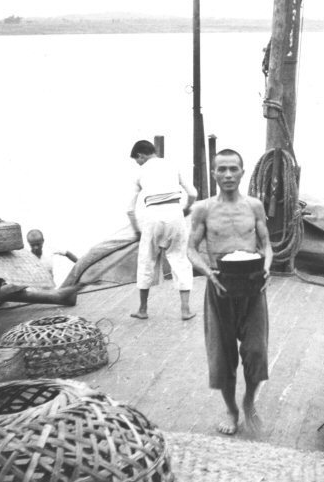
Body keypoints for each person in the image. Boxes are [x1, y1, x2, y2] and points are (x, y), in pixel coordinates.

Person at [187, 148, 272, 436]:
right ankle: (231, 409)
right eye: (221, 169)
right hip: (220, 287)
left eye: (233, 169)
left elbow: (266, 246)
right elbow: (190, 249)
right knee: (222, 357)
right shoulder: (203, 209)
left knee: (257, 352)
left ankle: (248, 400)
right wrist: (208, 272)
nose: (227, 175)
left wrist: (268, 267)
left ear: (242, 172)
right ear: (213, 173)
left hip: (252, 287)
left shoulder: (254, 206)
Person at [128, 139, 197, 321]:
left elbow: (129, 209)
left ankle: (143, 309)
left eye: (138, 160)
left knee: (146, 260)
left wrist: (136, 230)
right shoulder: (173, 165)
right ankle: (185, 310)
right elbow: (193, 194)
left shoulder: (140, 172)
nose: (139, 163)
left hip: (152, 218)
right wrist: (187, 208)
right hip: (175, 214)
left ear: (141, 155)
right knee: (180, 259)